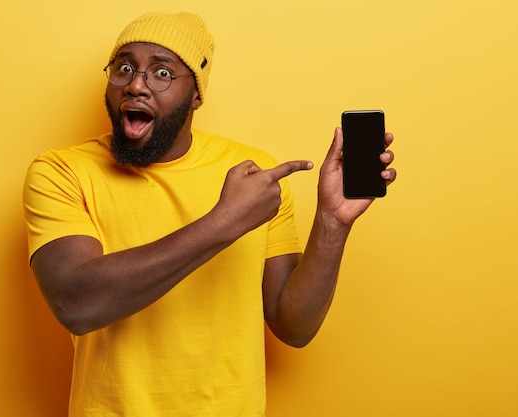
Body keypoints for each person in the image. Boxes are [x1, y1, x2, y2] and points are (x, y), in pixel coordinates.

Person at [23, 11, 396, 417]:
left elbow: (295, 327)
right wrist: (224, 222)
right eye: (124, 68)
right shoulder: (61, 171)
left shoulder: (253, 176)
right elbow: (77, 304)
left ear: (196, 94)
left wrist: (332, 223)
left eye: (162, 73)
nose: (135, 85)